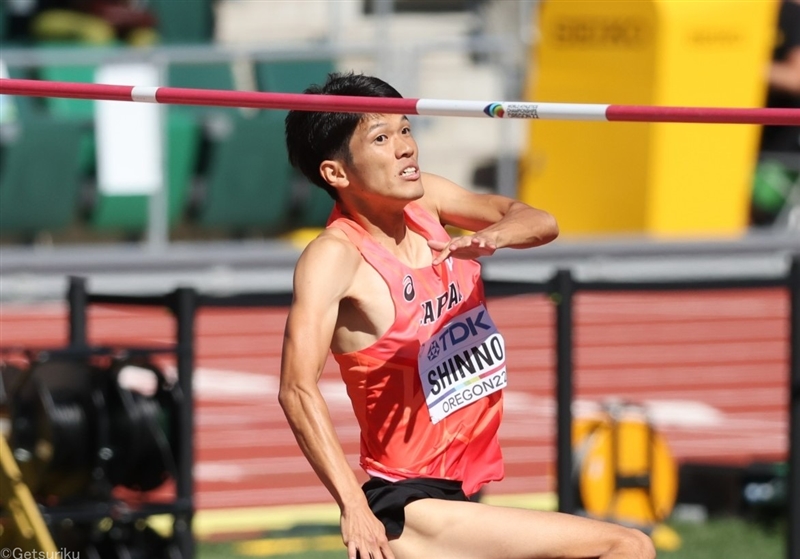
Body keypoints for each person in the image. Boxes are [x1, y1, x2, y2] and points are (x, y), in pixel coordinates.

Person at [278, 72, 656, 559]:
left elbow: (540, 221)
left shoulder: (428, 203)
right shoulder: (335, 257)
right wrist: (353, 507)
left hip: (454, 490)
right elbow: (296, 387)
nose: (405, 148)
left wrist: (495, 235)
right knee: (625, 547)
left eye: (406, 129)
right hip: (406, 504)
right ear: (336, 173)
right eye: (381, 137)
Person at [751, 0, 800, 226]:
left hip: (778, 150)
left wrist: (739, 66)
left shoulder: (789, 14)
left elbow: (796, 77)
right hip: (737, 141)